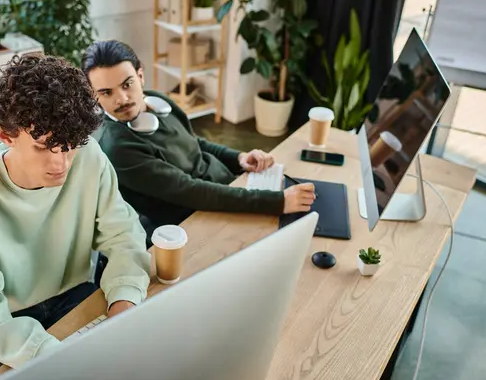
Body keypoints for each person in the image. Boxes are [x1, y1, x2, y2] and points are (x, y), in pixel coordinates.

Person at [0, 53, 151, 379]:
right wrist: (56, 359)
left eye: (68, 146)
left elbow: (124, 235)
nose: (61, 164)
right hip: (2, 322)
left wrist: (125, 298)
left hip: (71, 294)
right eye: (43, 147)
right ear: (4, 135)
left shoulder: (89, 157)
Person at [81, 40, 316, 236]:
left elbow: (195, 142)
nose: (121, 99)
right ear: (94, 95)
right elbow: (190, 191)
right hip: (195, 218)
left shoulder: (154, 101)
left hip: (225, 189)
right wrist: (276, 202)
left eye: (127, 84)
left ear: (140, 75)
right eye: (106, 92)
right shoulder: (118, 147)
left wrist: (240, 158)